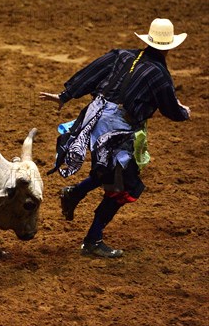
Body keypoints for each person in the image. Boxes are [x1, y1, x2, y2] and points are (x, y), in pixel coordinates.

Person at [40, 18, 191, 258]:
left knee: (110, 172)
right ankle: (92, 240)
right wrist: (184, 112)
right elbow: (172, 110)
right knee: (123, 186)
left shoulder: (123, 55)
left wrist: (66, 95)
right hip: (115, 128)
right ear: (170, 47)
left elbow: (94, 70)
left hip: (94, 117)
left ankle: (75, 193)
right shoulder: (160, 75)